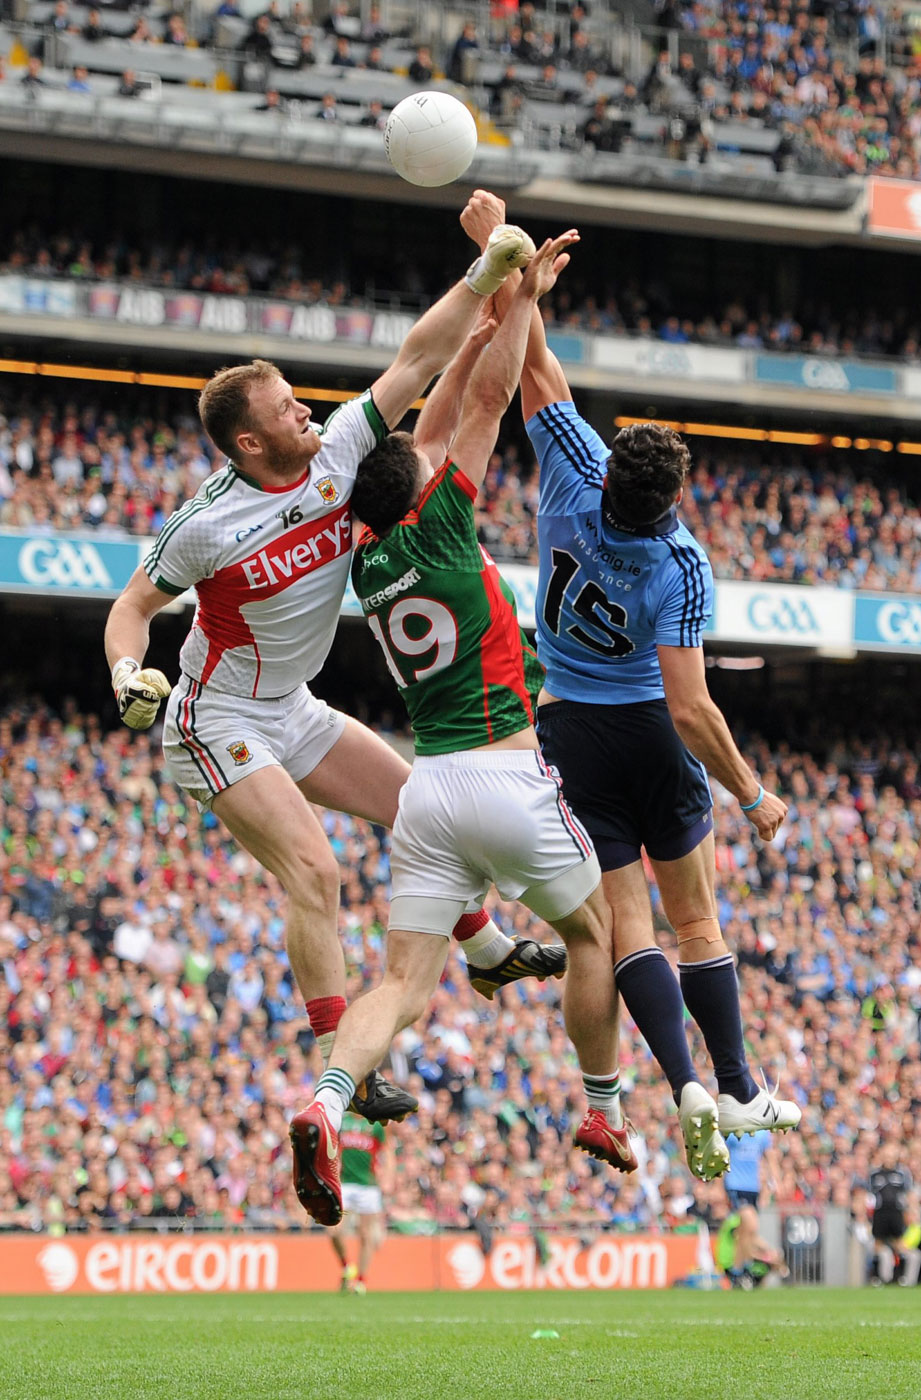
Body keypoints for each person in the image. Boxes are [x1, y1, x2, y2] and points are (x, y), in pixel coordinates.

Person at [103, 211, 564, 1137]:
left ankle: (485, 950)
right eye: (285, 410)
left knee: (422, 814)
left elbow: (416, 356)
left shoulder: (342, 451)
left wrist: (486, 273)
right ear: (248, 445)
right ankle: (337, 1068)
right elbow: (130, 611)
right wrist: (127, 675)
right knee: (315, 871)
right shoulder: (206, 527)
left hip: (293, 708)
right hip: (213, 714)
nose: (305, 412)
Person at [288, 232, 637, 1228]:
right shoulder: (441, 521)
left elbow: (438, 420)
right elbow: (479, 405)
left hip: (430, 792)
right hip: (507, 776)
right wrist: (520, 296)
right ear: (420, 482)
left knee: (401, 982)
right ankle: (604, 1106)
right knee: (595, 934)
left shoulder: (360, 557)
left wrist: (503, 303)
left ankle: (327, 1099)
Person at [462, 190, 801, 1182]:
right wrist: (753, 791)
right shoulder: (681, 563)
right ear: (674, 499)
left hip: (568, 730)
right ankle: (734, 1086)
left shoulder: (572, 473)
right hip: (649, 733)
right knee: (696, 920)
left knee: (623, 929)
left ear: (613, 476)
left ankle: (680, 1083)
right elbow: (693, 705)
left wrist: (511, 265)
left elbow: (533, 366)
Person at [328, 1111, 386, 1293]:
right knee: (333, 1230)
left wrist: (388, 1176)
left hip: (368, 1186)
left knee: (365, 1234)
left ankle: (361, 1280)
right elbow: (334, 1149)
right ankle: (347, 1266)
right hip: (345, 1184)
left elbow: (387, 1150)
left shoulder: (376, 1125)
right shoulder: (343, 1122)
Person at [869, 1140, 913, 1284]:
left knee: (899, 1243)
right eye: (886, 1155)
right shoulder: (875, 1174)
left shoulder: (902, 1173)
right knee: (878, 1242)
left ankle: (899, 1275)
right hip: (880, 1212)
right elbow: (869, 1194)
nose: (888, 1158)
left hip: (896, 1212)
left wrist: (909, 1210)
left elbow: (908, 1194)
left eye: (891, 1155)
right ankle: (875, 1276)